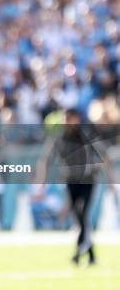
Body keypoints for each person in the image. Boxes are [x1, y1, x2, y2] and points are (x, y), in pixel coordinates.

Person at [36, 108, 117, 266]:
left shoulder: (87, 134)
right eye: (66, 118)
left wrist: (111, 180)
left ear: (77, 118)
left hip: (88, 180)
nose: (68, 121)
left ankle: (79, 251)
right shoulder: (59, 138)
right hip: (71, 181)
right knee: (79, 217)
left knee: (82, 213)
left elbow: (105, 156)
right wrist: (42, 183)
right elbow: (46, 160)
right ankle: (90, 253)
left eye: (71, 118)